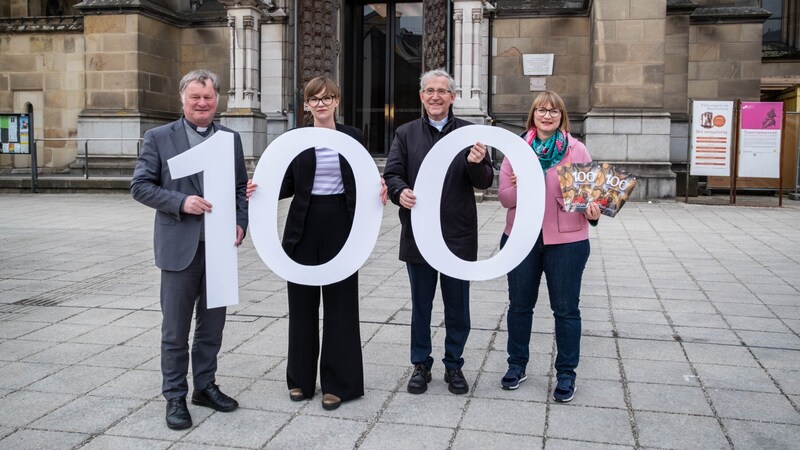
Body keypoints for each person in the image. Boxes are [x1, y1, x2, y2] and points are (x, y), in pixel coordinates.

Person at [247, 77, 386, 410]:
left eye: (328, 98)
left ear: (337, 102)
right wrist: (259, 188)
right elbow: (288, 183)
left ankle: (340, 384)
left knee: (341, 307)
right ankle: (300, 380)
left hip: (341, 223)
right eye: (315, 99)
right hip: (303, 226)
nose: (321, 104)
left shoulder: (352, 137)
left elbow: (362, 179)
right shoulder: (294, 140)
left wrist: (379, 188)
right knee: (302, 305)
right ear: (306, 105)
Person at [131, 69, 248, 429]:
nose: (202, 103)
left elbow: (241, 188)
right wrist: (181, 202)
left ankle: (205, 386)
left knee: (212, 327)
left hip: (219, 251)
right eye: (195, 97)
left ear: (217, 100)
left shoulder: (230, 137)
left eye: (208, 97)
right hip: (180, 246)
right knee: (176, 329)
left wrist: (241, 223)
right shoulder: (158, 137)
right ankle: (175, 397)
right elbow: (140, 186)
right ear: (182, 99)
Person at [383, 69, 494, 395]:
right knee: (421, 305)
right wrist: (399, 191)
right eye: (429, 90)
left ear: (452, 97)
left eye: (442, 91)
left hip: (458, 234)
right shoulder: (405, 133)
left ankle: (454, 364)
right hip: (418, 234)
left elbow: (485, 180)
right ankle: (421, 364)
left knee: (457, 305)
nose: (435, 96)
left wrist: (477, 162)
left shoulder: (469, 133)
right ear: (421, 96)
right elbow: (392, 173)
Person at [496, 90, 600, 402]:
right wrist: (523, 186)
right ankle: (517, 365)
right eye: (541, 110)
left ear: (561, 116)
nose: (547, 115)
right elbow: (504, 198)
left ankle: (566, 373)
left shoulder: (576, 149)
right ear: (533, 115)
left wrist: (593, 212)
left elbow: (590, 200)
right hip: (521, 239)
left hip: (567, 242)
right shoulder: (517, 149)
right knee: (519, 306)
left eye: (554, 110)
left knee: (566, 309)